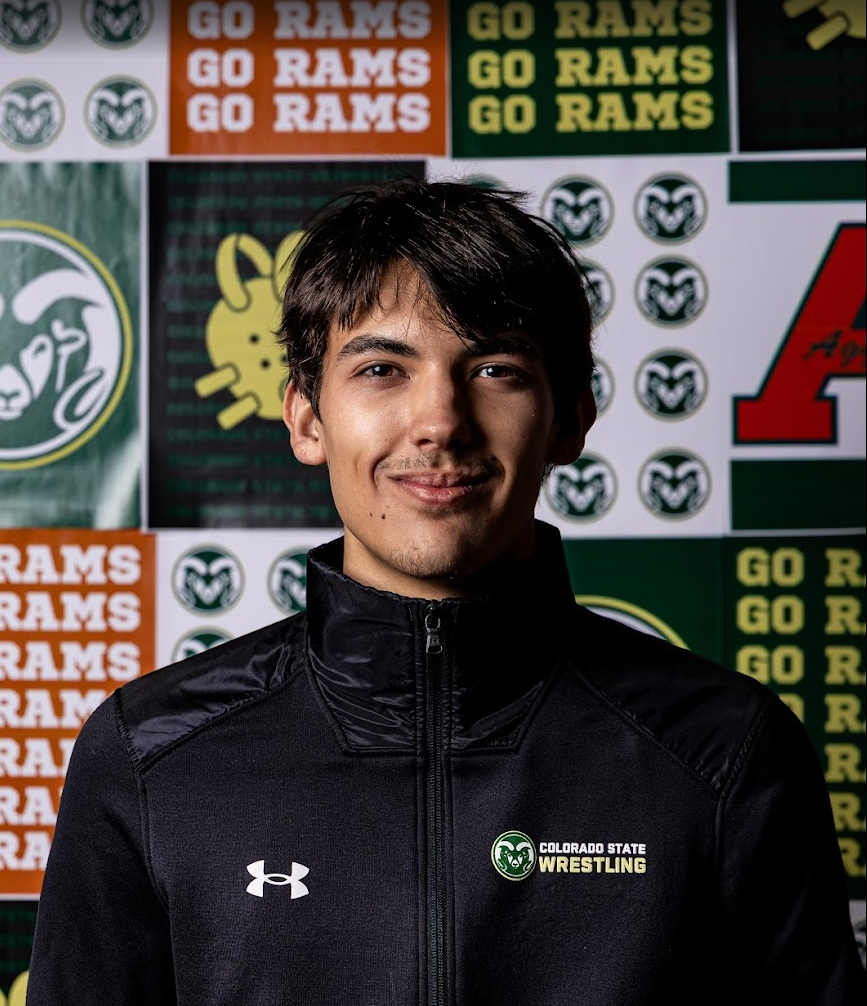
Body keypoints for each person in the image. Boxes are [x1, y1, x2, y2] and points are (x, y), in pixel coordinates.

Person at [28, 179, 862, 1005]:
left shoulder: (724, 753)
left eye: (495, 367)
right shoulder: (150, 757)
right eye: (383, 368)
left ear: (571, 418)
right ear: (307, 419)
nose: (440, 421)